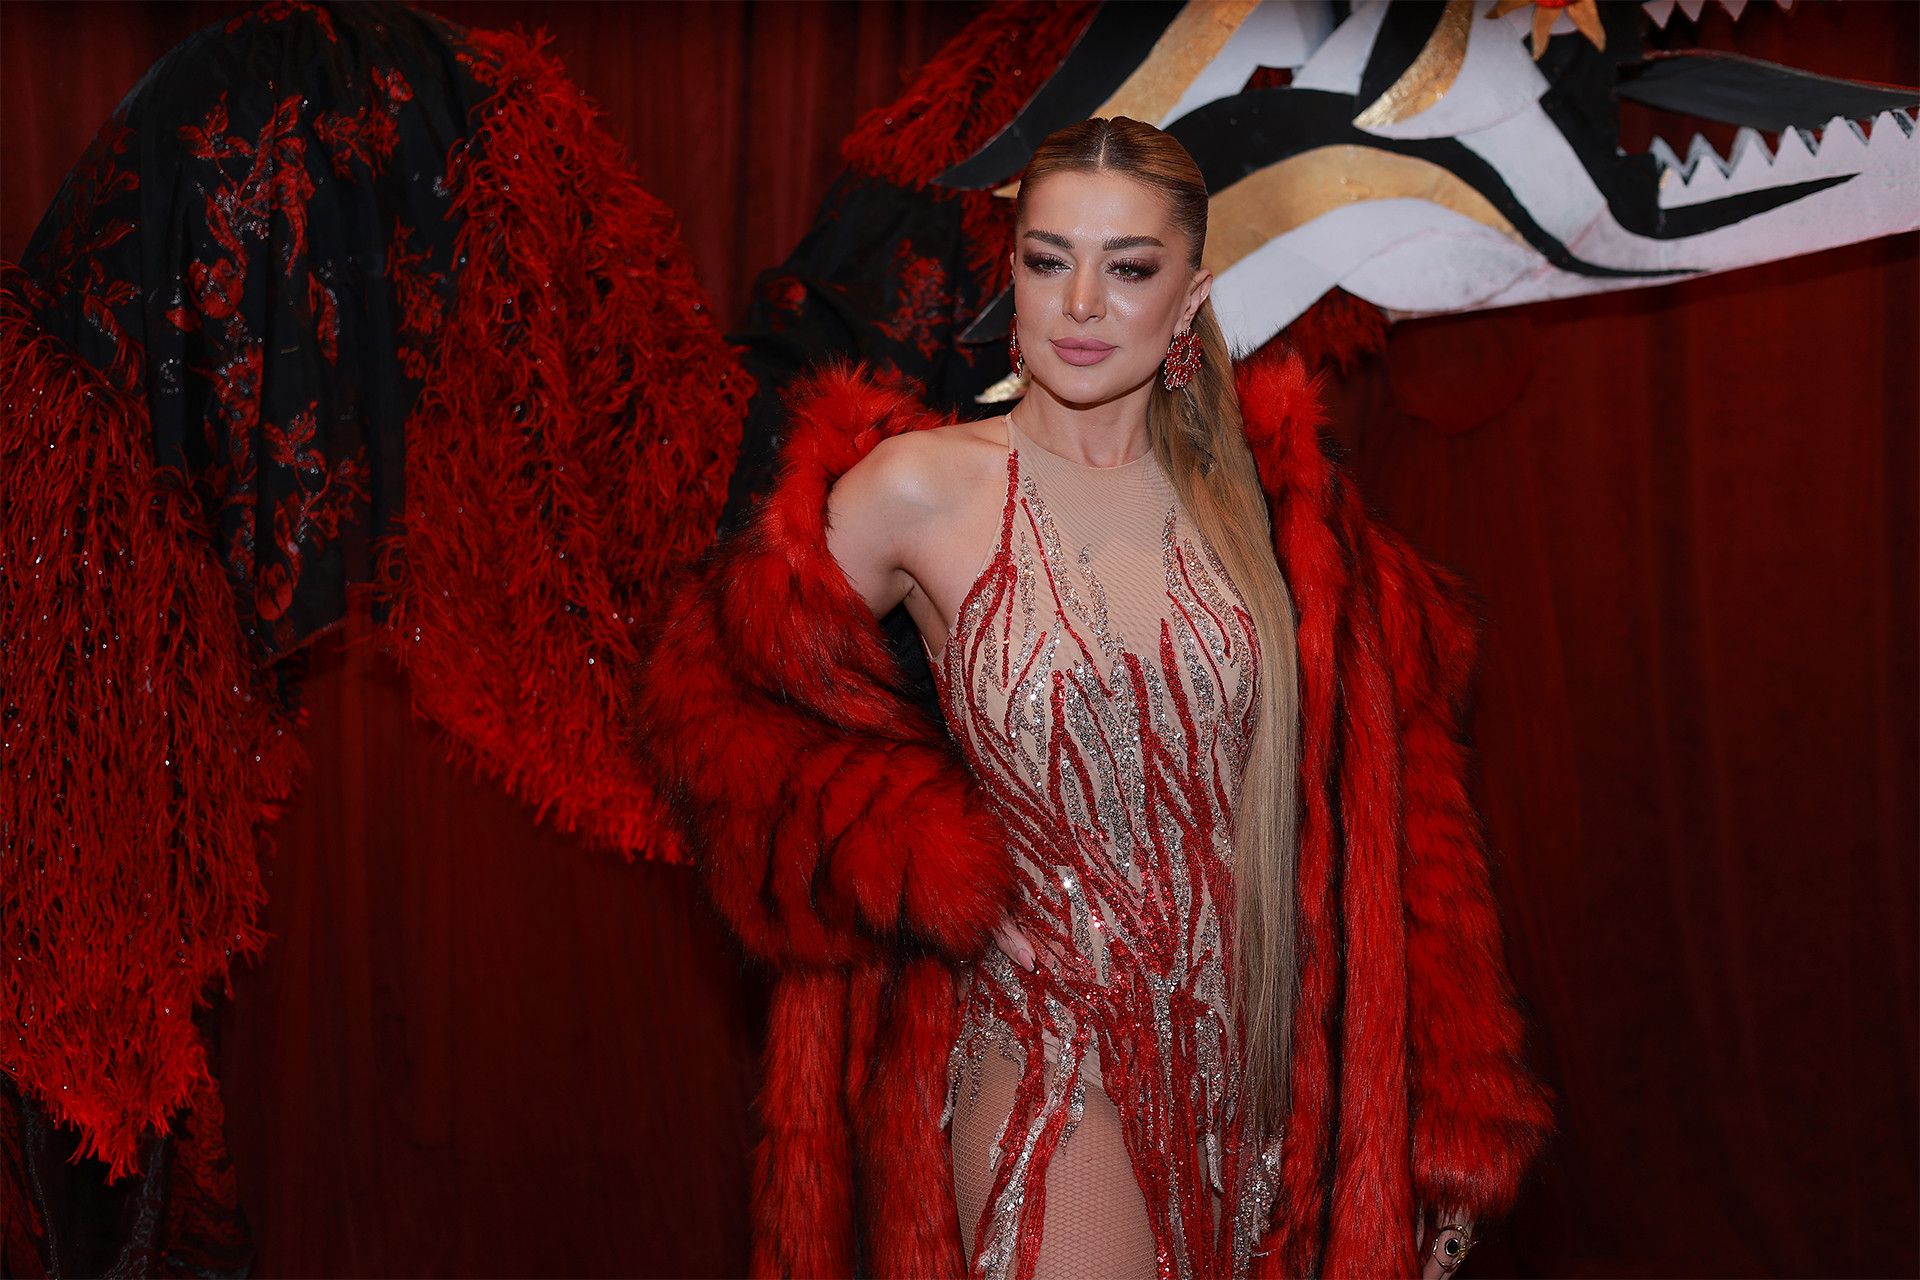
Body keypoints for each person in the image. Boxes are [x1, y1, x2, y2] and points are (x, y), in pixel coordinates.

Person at [626, 117, 1554, 1279]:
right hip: (1050, 1059)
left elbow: (1405, 813)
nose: (1079, 303)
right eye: (1048, 258)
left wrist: (1442, 1112)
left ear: (1190, 294)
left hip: (1269, 1084)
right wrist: (902, 849)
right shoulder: (920, 487)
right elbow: (711, 699)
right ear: (1012, 272)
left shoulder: (1284, 511)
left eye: (1128, 267)